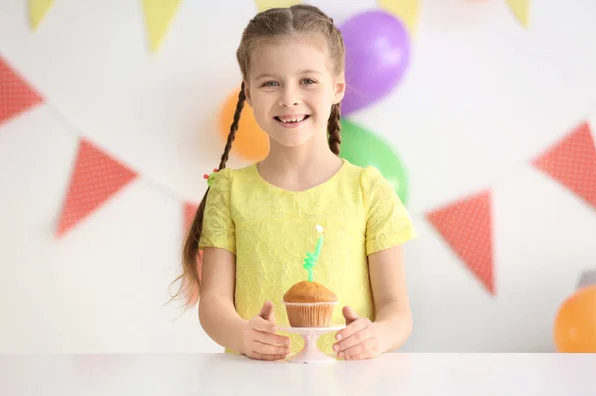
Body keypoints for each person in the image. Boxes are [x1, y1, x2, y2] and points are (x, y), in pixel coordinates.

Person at [172, 4, 418, 361]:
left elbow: (397, 311)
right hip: (252, 382)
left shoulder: (369, 191)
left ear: (336, 88)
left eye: (307, 81)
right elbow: (213, 306)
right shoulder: (228, 192)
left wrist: (376, 336)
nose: (289, 98)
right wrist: (241, 334)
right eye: (270, 83)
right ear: (249, 93)